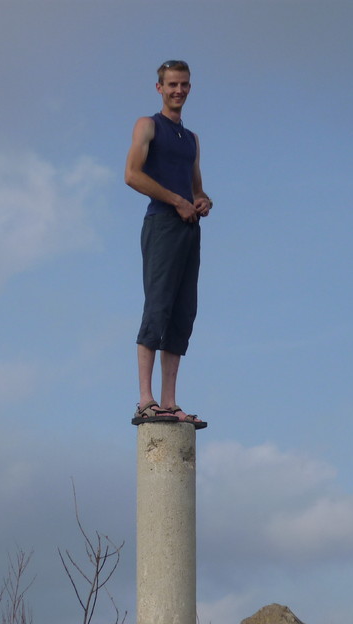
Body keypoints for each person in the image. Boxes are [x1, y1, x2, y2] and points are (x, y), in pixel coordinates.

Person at [125, 59, 212, 429]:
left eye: (185, 85)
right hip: (161, 223)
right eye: (172, 84)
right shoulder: (148, 125)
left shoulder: (191, 139)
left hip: (188, 229)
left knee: (183, 311)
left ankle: (170, 401)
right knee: (157, 306)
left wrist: (201, 200)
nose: (179, 91)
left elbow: (196, 187)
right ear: (159, 87)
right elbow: (132, 174)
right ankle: (146, 400)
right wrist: (175, 201)